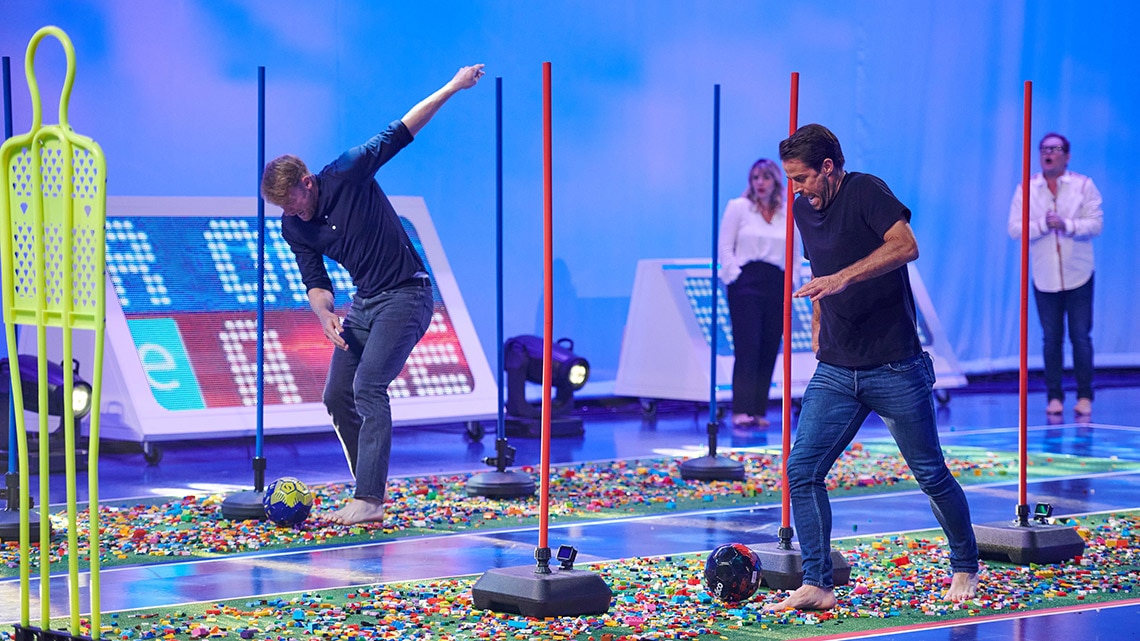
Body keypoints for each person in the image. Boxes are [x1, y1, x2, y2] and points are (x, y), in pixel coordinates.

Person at [765, 124, 979, 612]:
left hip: (895, 366)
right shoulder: (802, 209)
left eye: (801, 178)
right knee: (802, 469)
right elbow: (820, 273)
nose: (794, 189)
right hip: (836, 369)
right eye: (790, 179)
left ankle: (966, 563)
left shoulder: (865, 190)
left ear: (828, 167)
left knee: (931, 473)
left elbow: (906, 245)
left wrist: (844, 278)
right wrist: (819, 322)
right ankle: (817, 583)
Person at [260, 64, 486, 525]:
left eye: (293, 202)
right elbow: (315, 281)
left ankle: (369, 500)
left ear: (307, 182)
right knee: (336, 394)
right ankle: (365, 487)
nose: (291, 213)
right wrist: (324, 314)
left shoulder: (347, 170)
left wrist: (453, 85)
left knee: (368, 386)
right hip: (365, 302)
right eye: (283, 208)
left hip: (407, 295)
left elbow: (402, 129)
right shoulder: (293, 227)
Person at [1008, 133, 1103, 417]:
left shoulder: (1083, 185)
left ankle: (1085, 395)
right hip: (1045, 276)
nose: (1048, 154)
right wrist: (1042, 225)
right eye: (1044, 149)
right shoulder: (1027, 188)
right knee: (1051, 339)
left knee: (1080, 337)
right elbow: (1015, 228)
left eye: (1055, 149)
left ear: (1067, 156)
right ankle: (1054, 396)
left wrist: (1067, 225)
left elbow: (1095, 224)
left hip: (1079, 273)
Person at [718, 159, 797, 428]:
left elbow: (795, 252)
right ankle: (741, 409)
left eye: (765, 177)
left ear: (775, 181)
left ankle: (758, 410)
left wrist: (791, 283)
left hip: (777, 283)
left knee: (769, 346)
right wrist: (735, 277)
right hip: (746, 285)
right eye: (755, 178)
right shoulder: (739, 208)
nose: (760, 183)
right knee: (747, 346)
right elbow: (725, 247)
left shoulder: (788, 212)